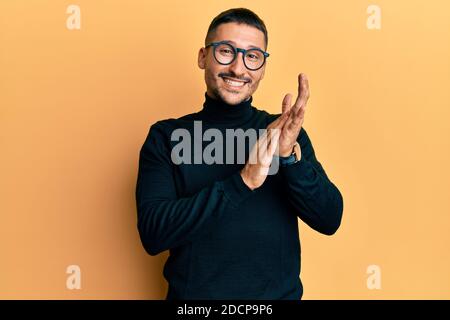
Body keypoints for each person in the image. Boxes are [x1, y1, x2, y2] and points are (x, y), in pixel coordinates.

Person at [135, 7, 343, 300]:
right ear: (202, 57)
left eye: (252, 56)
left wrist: (289, 160)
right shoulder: (166, 137)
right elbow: (154, 233)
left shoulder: (284, 135)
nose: (238, 68)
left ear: (262, 67)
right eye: (225, 51)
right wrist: (243, 181)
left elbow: (329, 218)